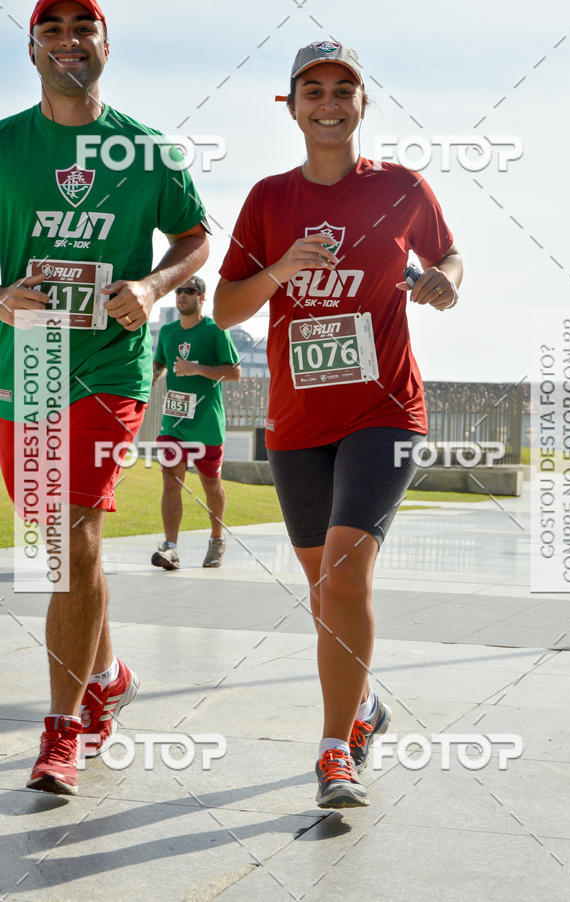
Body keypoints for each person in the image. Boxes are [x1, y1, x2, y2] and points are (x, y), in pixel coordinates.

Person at [214, 40, 463, 808]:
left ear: (362, 103)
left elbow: (449, 259)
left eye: (343, 89)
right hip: (297, 423)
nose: (329, 102)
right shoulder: (266, 199)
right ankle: (362, 705)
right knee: (326, 596)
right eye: (312, 89)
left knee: (346, 574)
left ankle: (333, 750)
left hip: (384, 410)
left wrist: (442, 288)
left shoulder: (400, 187)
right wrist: (283, 268)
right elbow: (226, 309)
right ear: (290, 106)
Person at [0, 0, 210, 795]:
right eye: (50, 30)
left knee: (74, 533)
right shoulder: (5, 145)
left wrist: (153, 285)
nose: (67, 42)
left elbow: (195, 235)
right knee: (60, 549)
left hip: (108, 367)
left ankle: (62, 734)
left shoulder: (146, 149)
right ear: (31, 48)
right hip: (23, 365)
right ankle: (110, 675)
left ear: (105, 45)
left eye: (80, 28)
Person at [151, 275, 241, 570]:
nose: (182, 296)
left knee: (211, 485)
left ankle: (217, 540)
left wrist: (196, 369)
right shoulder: (166, 332)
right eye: (179, 291)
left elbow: (234, 372)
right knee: (170, 482)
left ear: (202, 298)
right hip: (173, 423)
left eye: (190, 291)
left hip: (206, 425)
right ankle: (171, 547)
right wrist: (142, 386)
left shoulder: (215, 331)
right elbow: (159, 366)